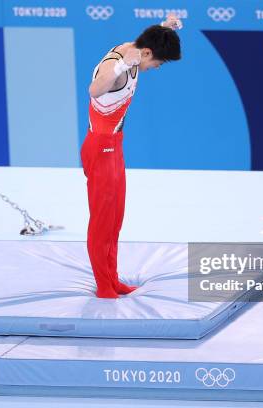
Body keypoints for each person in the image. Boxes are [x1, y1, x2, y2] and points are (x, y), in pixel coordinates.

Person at [82, 15, 183, 298]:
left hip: (115, 146)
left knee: (115, 219)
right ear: (147, 55)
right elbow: (95, 89)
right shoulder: (119, 67)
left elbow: (148, 42)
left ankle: (112, 278)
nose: (155, 68)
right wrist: (122, 66)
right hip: (100, 148)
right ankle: (104, 286)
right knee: (102, 221)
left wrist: (165, 26)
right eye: (157, 64)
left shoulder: (137, 48)